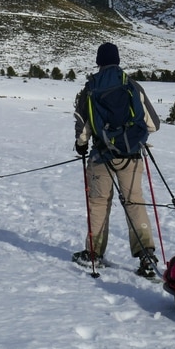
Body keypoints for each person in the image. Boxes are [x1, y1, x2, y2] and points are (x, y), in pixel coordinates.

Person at [72, 42, 162, 278]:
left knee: (99, 204)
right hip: (131, 156)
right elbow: (153, 124)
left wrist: (81, 146)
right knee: (135, 203)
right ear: (118, 60)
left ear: (98, 62)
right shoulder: (132, 86)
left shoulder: (89, 89)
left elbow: (84, 128)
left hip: (101, 156)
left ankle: (94, 254)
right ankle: (146, 256)